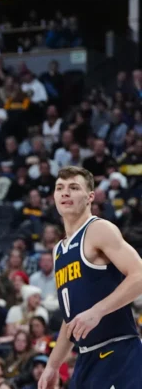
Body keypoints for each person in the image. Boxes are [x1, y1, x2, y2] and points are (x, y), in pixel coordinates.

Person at [38, 166, 142, 389]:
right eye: (60, 188)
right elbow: (71, 319)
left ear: (90, 197)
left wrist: (98, 311)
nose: (65, 193)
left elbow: (140, 275)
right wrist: (53, 365)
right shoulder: (59, 250)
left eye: (74, 187)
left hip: (119, 353)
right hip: (86, 359)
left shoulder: (99, 230)